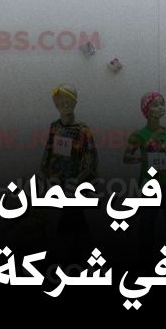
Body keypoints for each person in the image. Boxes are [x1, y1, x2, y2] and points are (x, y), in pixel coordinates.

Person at [123, 92, 166, 270]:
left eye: (162, 104)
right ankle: (146, 266)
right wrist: (141, 159)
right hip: (149, 186)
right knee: (146, 227)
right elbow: (126, 158)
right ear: (146, 109)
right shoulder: (138, 135)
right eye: (156, 104)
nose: (160, 107)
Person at [38, 84, 98, 264]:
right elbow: (48, 153)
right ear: (55, 104)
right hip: (56, 183)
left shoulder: (83, 130)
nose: (65, 105)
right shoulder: (54, 127)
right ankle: (78, 258)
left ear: (75, 102)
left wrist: (77, 181)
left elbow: (91, 159)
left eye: (68, 101)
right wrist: (46, 175)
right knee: (70, 220)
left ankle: (75, 258)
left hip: (74, 185)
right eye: (60, 102)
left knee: (71, 217)